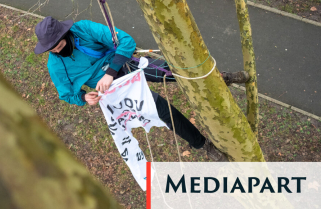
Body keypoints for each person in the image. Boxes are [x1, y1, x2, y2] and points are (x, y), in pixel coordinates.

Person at [34, 17, 249, 161]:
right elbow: (67, 94)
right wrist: (84, 97)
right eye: (51, 49)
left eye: (60, 45)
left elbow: (126, 40)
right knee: (163, 111)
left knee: (171, 71)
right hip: (114, 91)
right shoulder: (55, 65)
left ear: (66, 33)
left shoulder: (83, 29)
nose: (57, 51)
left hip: (122, 64)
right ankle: (203, 145)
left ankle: (220, 78)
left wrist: (110, 71)